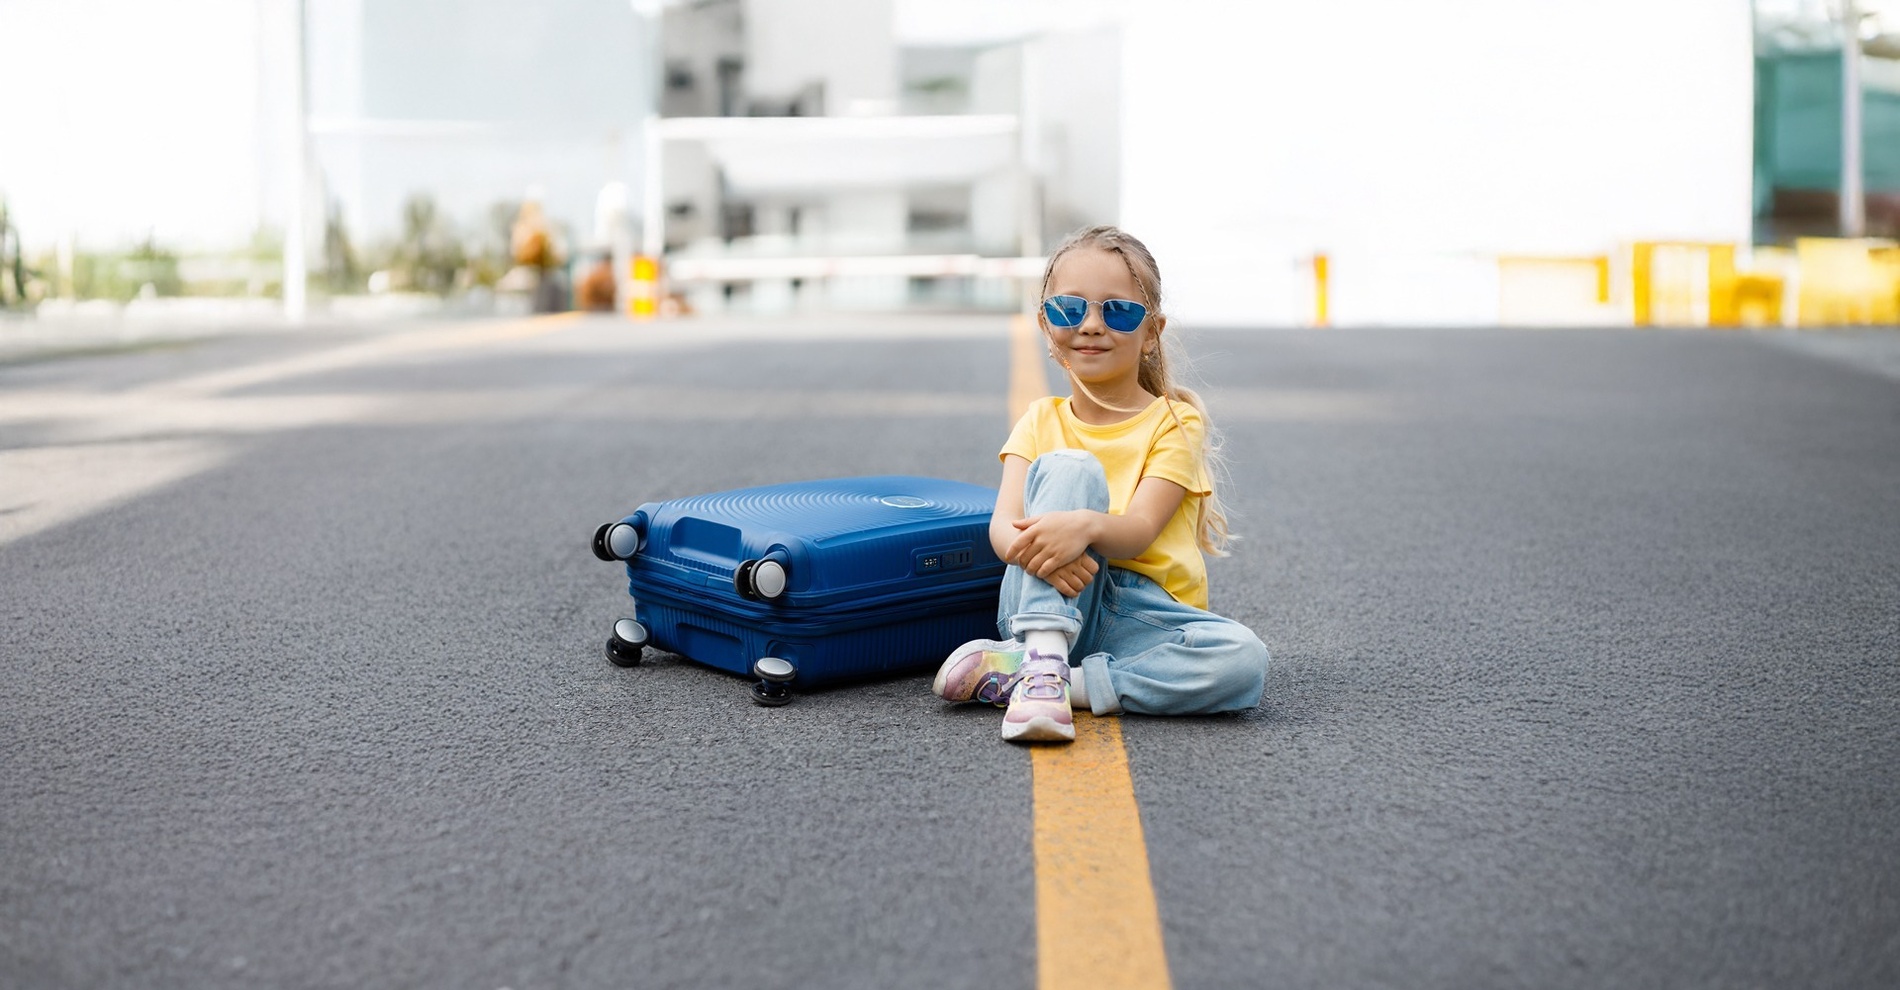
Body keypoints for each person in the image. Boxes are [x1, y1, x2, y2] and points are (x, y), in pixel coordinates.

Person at [932, 225, 1270, 743]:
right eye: (1071, 309)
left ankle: (1062, 683)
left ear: (1151, 331)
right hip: (1051, 594)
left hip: (1143, 615)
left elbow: (1137, 531)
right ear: (1047, 324)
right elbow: (1002, 530)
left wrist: (1082, 527)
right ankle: (1042, 654)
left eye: (1118, 311)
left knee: (1244, 660)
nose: (1091, 325)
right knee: (1071, 466)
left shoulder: (1174, 422)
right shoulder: (1039, 420)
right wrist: (1044, 548)